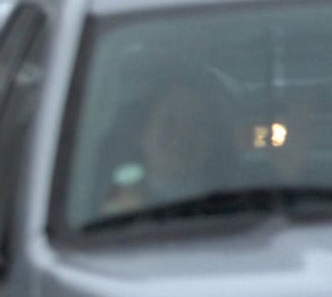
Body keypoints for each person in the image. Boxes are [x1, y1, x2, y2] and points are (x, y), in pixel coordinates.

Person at [97, 68, 239, 217]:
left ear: (213, 143)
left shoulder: (236, 208)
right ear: (142, 133)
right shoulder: (114, 210)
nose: (182, 136)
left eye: (199, 124)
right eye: (169, 121)